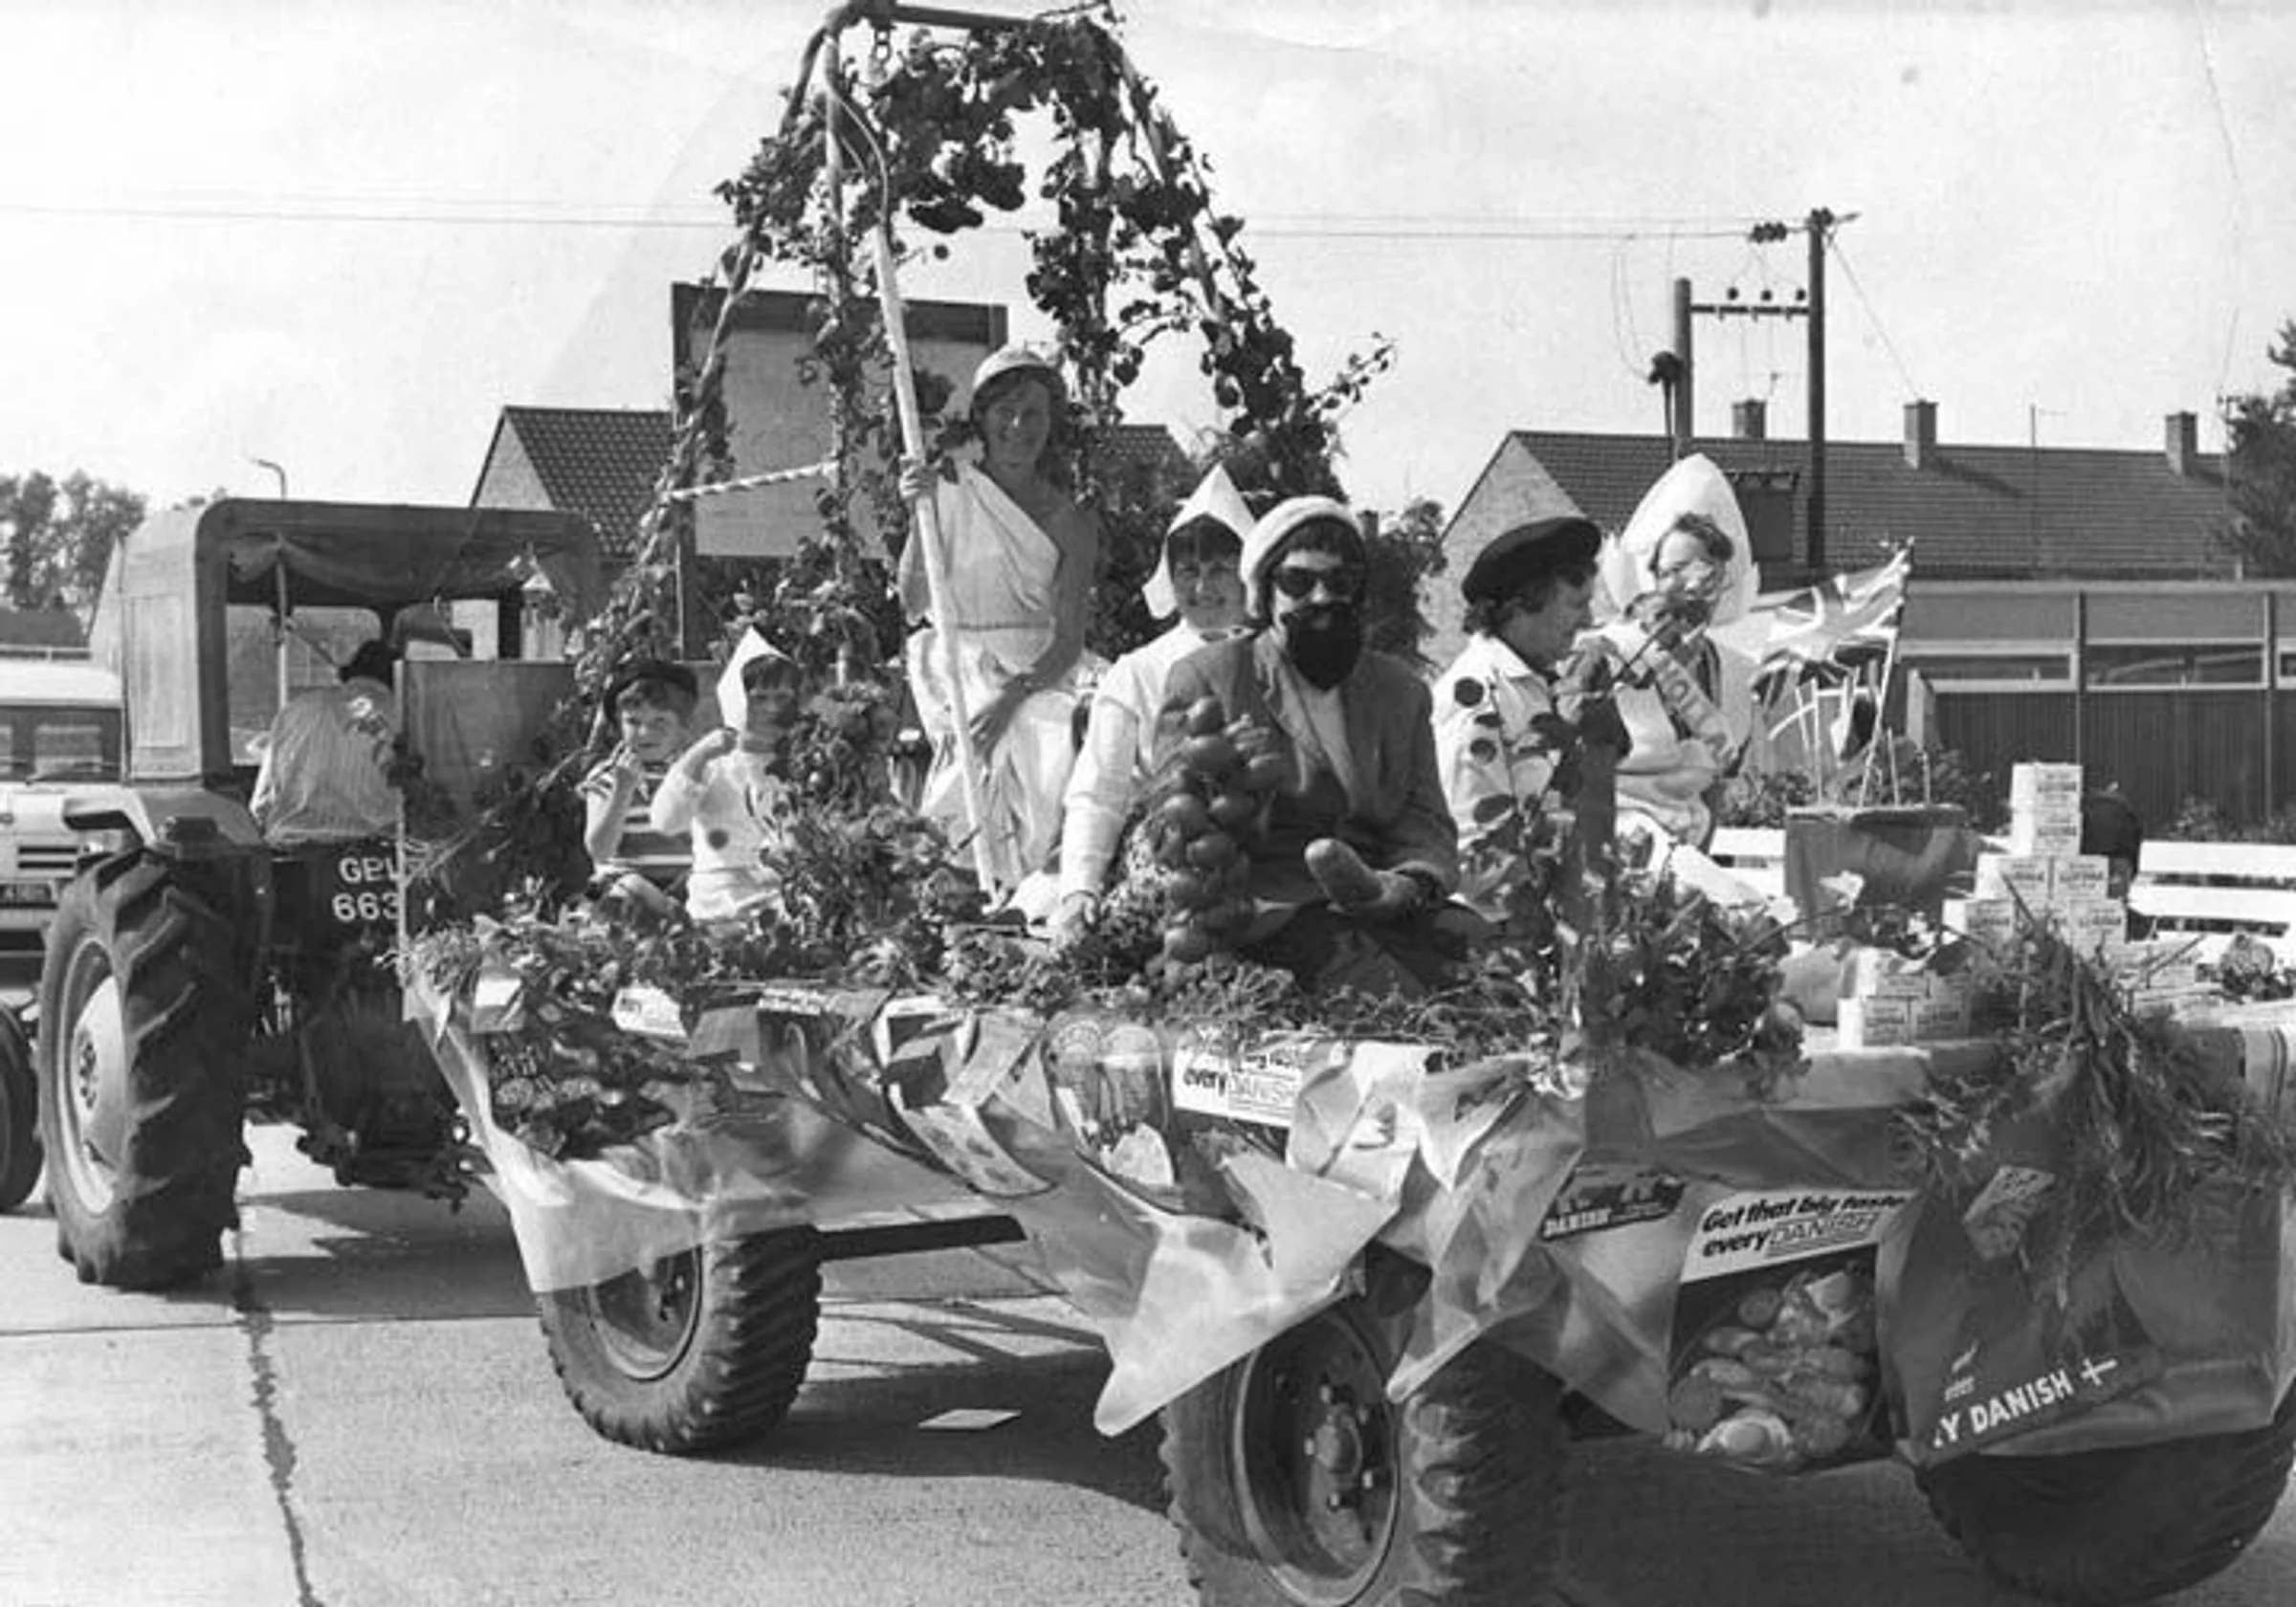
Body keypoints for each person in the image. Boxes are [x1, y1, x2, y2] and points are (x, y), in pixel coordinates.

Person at [1156, 495, 1460, 995]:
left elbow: (1424, 820)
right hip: (1265, 913)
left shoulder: (1401, 691)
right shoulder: (1210, 678)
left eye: (1340, 582)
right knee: (1399, 991)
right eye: (1298, 583)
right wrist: (1224, 781)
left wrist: (1410, 883)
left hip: (1385, 901)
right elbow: (1167, 830)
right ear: (1264, 595)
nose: (1322, 597)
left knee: (1495, 969)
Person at [897, 344, 1102, 897]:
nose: (1018, 427)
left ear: (1052, 423)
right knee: (999, 739)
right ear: (982, 418)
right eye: (1005, 411)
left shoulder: (1072, 521)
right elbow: (912, 602)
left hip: (1041, 664)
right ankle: (970, 881)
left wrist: (1014, 694)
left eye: (1034, 413)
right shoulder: (946, 489)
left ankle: (1048, 884)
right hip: (959, 657)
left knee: (1066, 721)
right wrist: (918, 514)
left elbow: (1068, 640)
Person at [1052, 465, 1254, 941]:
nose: (1203, 589)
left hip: (1263, 846)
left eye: (1220, 570)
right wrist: (1079, 887)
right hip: (1171, 850)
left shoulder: (1274, 659)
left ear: (1248, 573)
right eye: (1188, 572)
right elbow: (1099, 790)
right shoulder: (1138, 671)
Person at [1429, 515, 1612, 918]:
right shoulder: (1478, 699)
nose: (1587, 621)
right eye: (1576, 604)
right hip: (1491, 932)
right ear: (1523, 604)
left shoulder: (1534, 685)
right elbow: (1472, 857)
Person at [1594, 456, 1766, 853]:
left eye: (1708, 576)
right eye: (1674, 572)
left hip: (1685, 848)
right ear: (1651, 574)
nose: (1689, 588)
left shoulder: (1733, 674)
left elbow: (1714, 790)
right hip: (1613, 839)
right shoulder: (1609, 653)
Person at [651, 631, 802, 926]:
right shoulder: (713, 761)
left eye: (782, 698)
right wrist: (695, 757)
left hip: (790, 902)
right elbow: (666, 822)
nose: (771, 709)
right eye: (760, 698)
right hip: (720, 904)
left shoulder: (807, 760)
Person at [251, 639, 403, 845]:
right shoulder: (402, 716)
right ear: (398, 680)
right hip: (381, 849)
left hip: (293, 849)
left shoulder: (294, 711)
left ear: (349, 673)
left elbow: (261, 806)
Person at [578, 660, 698, 914]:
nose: (644, 732)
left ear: (683, 727)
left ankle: (675, 919)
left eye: (659, 722)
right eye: (633, 722)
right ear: (618, 725)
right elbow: (600, 850)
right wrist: (623, 790)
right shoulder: (608, 777)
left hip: (683, 885)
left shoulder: (696, 774)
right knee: (632, 888)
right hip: (622, 886)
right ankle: (674, 921)